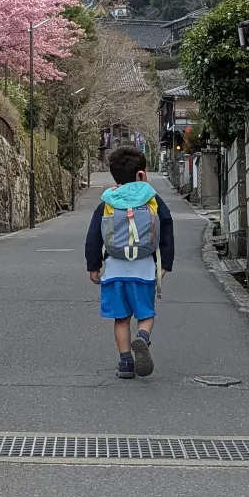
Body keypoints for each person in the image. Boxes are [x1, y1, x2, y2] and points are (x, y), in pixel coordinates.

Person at [84, 145, 175, 379]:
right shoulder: (151, 198)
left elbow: (94, 235)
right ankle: (142, 339)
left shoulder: (108, 201)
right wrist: (166, 263)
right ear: (141, 173)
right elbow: (166, 227)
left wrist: (93, 265)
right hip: (144, 269)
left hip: (115, 269)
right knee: (145, 314)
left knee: (121, 318)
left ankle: (125, 363)